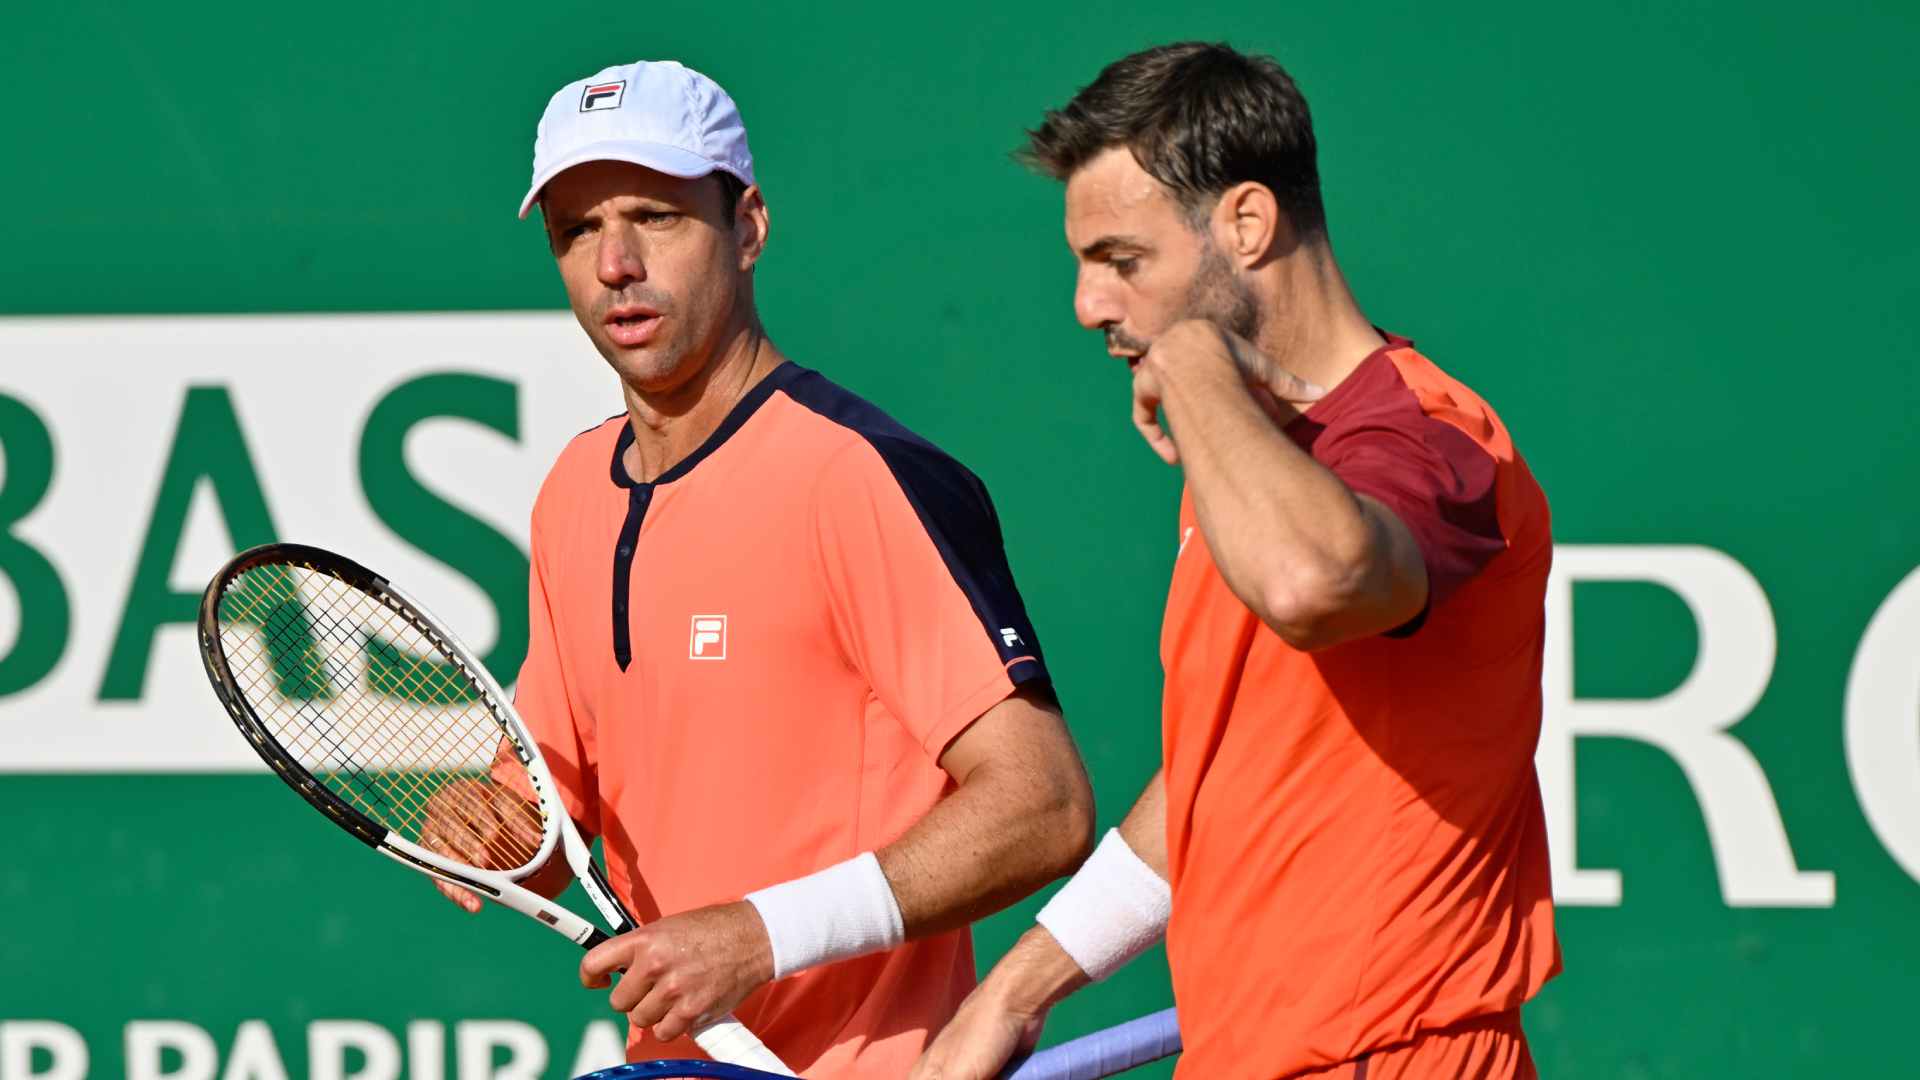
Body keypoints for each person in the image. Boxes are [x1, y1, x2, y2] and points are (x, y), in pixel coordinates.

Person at [418, 59, 1094, 1079]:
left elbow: (1043, 806)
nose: (614, 266)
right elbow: (546, 821)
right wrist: (489, 827)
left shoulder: (857, 475)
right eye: (577, 233)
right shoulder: (573, 494)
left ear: (748, 227)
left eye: (655, 217)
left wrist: (756, 936)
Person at [913, 42, 1560, 1080]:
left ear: (1247, 225)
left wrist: (1195, 362)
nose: (1088, 305)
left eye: (1123, 261)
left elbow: (1318, 583)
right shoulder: (1248, 466)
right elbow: (1222, 778)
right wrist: (1015, 992)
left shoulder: (1432, 433)